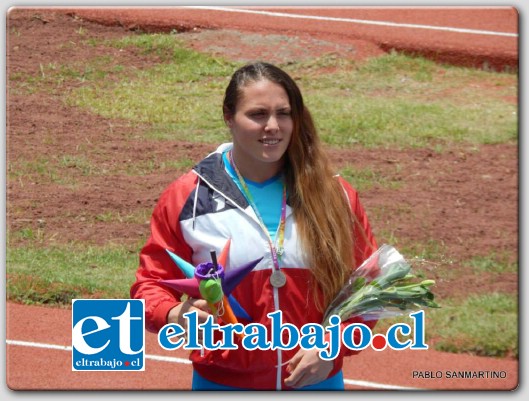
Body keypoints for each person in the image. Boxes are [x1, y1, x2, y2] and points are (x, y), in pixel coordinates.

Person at [131, 61, 378, 390]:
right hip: (223, 385)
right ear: (228, 117)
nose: (273, 126)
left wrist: (332, 346)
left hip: (316, 383)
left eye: (284, 113)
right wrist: (175, 314)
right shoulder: (187, 197)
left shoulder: (335, 195)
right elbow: (151, 285)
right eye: (258, 114)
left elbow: (371, 287)